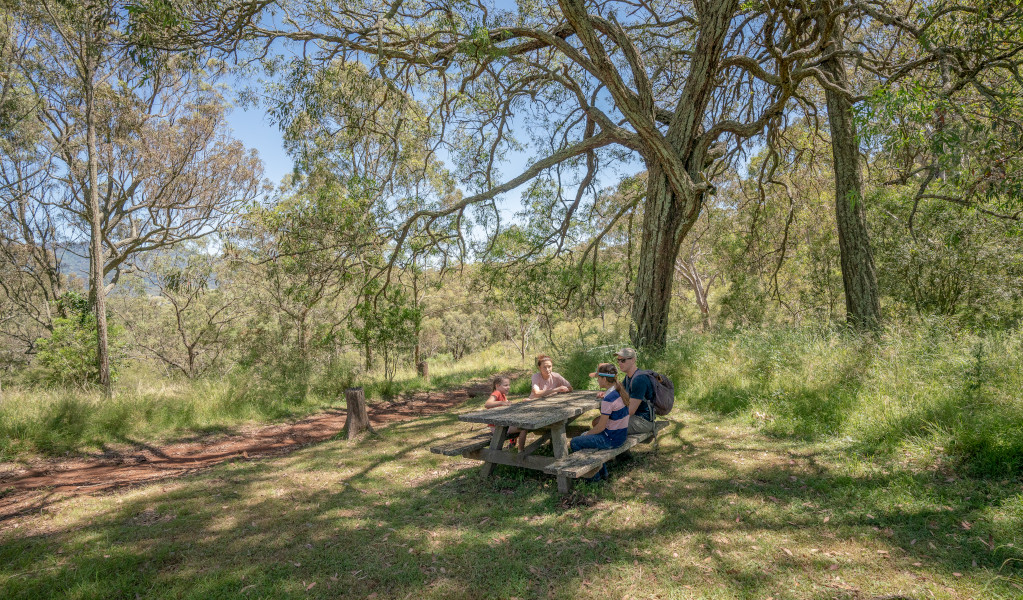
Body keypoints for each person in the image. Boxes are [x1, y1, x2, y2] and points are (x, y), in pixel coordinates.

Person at [568, 362, 630, 481]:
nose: (597, 380)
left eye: (598, 378)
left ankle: (593, 479)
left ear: (605, 379)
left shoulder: (608, 398)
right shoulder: (618, 391)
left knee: (575, 442)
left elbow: (601, 427)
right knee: (587, 437)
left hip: (611, 439)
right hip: (620, 436)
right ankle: (603, 473)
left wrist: (586, 434)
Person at [614, 347, 657, 436]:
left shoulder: (639, 379)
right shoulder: (628, 377)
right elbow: (619, 392)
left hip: (643, 421)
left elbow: (631, 411)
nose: (619, 363)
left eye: (623, 360)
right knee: (599, 421)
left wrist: (611, 416)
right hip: (634, 417)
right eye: (618, 360)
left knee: (606, 425)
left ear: (633, 360)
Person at [484, 376, 526, 451]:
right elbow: (487, 404)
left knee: (518, 422)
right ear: (497, 386)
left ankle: (513, 443)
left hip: (502, 424)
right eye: (505, 385)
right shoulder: (497, 393)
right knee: (524, 429)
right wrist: (501, 402)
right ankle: (521, 450)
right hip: (497, 427)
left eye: (509, 385)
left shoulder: (502, 395)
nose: (508, 387)